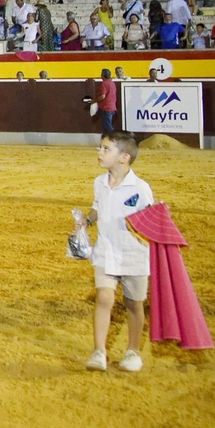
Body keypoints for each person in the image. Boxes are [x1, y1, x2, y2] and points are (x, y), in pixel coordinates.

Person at [81, 132, 153, 372]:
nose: (99, 152)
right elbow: (97, 206)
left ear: (124, 157)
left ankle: (133, 351)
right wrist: (87, 220)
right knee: (104, 298)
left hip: (134, 254)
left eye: (105, 149)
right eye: (100, 148)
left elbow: (151, 221)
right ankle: (99, 351)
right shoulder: (99, 182)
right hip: (105, 251)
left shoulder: (141, 189)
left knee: (134, 304)